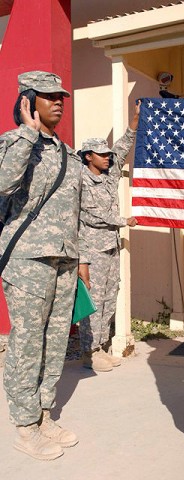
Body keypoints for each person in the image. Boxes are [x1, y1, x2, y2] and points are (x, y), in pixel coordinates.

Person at [0, 71, 89, 460]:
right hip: (26, 260)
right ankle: (24, 424)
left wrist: (81, 256)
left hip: (64, 260)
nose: (58, 102)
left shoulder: (69, 155)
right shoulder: (12, 144)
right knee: (27, 343)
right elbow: (3, 184)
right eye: (49, 96)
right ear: (29, 100)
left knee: (55, 342)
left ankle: (43, 414)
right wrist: (26, 133)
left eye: (62, 97)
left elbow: (76, 212)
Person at [78, 101, 140, 372]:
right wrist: (123, 220)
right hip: (91, 250)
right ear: (88, 156)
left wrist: (135, 121)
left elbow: (123, 146)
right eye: (101, 154)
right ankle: (88, 351)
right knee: (92, 301)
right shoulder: (80, 180)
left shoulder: (108, 174)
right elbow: (92, 215)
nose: (107, 157)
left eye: (106, 153)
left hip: (110, 246)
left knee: (108, 296)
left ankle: (100, 346)